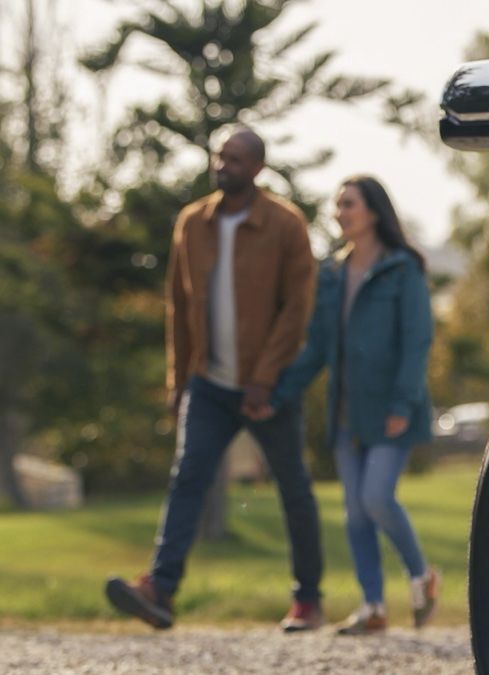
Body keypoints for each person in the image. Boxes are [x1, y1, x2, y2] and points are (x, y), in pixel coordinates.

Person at [105, 127, 325, 632]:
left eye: (236, 158)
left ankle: (308, 601)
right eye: (219, 156)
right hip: (208, 382)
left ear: (258, 168)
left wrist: (265, 378)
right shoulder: (192, 223)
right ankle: (160, 590)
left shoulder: (285, 225)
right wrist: (177, 380)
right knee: (188, 479)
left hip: (266, 385)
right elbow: (178, 307)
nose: (224, 165)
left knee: (294, 488)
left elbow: (297, 310)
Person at [271, 175, 438, 634]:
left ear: (373, 212)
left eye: (349, 204)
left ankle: (421, 576)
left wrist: (403, 401)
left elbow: (417, 340)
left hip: (391, 408)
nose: (340, 212)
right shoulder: (332, 274)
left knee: (376, 497)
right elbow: (319, 347)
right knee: (356, 510)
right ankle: (372, 607)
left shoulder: (403, 269)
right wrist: (277, 392)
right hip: (346, 413)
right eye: (337, 205)